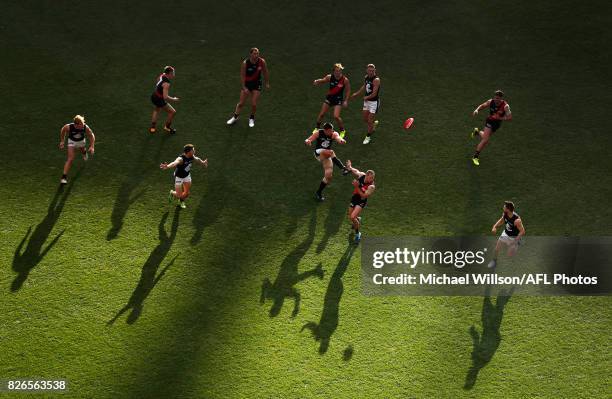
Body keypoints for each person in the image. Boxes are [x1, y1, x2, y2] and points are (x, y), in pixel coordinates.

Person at [304, 122, 349, 201]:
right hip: (319, 153)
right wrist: (307, 141)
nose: (331, 132)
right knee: (331, 152)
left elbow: (338, 138)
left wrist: (342, 140)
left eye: (332, 130)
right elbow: (310, 139)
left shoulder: (333, 133)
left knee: (328, 175)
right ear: (325, 130)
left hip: (326, 155)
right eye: (330, 131)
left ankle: (318, 192)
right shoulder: (319, 133)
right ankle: (343, 168)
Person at [226, 47, 270, 128]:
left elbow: (265, 71)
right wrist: (244, 87)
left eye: (257, 53)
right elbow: (242, 76)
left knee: (253, 104)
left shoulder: (262, 61)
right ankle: (235, 117)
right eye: (254, 53)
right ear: (251, 54)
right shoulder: (245, 63)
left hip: (257, 84)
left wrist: (267, 82)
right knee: (241, 103)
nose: (256, 55)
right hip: (247, 84)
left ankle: (251, 118)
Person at [470, 90, 512, 165]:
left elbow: (510, 118)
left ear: (501, 98)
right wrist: (477, 110)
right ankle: (475, 157)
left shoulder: (506, 106)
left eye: (498, 98)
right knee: (485, 140)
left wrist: (500, 118)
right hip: (489, 122)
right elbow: (482, 105)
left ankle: (477, 132)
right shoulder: (490, 101)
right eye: (495, 98)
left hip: (497, 124)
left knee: (485, 137)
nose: (496, 100)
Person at [159, 144, 208, 209]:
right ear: (188, 152)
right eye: (193, 150)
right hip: (179, 177)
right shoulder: (181, 159)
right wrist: (167, 166)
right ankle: (172, 193)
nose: (194, 151)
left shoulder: (191, 156)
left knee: (186, 193)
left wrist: (203, 162)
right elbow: (174, 163)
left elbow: (197, 159)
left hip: (187, 176)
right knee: (179, 195)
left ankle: (181, 201)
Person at [313, 63, 351, 138]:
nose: (338, 72)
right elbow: (323, 80)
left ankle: (342, 130)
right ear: (334, 71)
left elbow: (348, 90)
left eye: (339, 71)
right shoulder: (330, 77)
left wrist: (346, 100)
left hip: (338, 100)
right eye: (336, 71)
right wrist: (317, 81)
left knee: (336, 117)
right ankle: (317, 128)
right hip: (329, 98)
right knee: (321, 114)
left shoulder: (345, 80)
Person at [344, 160, 376, 243]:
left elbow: (364, 196)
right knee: (350, 216)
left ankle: (358, 234)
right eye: (370, 177)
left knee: (352, 217)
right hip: (355, 198)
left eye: (373, 178)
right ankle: (358, 219)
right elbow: (355, 171)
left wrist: (357, 186)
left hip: (361, 200)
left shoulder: (371, 186)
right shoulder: (361, 175)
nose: (372, 179)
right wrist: (350, 167)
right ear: (366, 175)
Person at [59, 115, 95, 184]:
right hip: (72, 142)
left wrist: (92, 146)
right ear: (75, 124)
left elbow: (91, 135)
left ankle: (84, 153)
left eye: (82, 124)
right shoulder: (69, 127)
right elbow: (63, 130)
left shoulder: (85, 127)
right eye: (80, 125)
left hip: (81, 141)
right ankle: (63, 177)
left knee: (82, 149)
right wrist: (62, 141)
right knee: (70, 159)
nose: (82, 126)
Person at [349, 64, 381, 144]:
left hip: (374, 102)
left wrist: (366, 97)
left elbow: (374, 93)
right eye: (369, 70)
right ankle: (373, 125)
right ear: (367, 70)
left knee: (369, 120)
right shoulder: (366, 77)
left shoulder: (376, 80)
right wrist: (356, 93)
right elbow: (364, 86)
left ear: (375, 71)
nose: (371, 72)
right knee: (365, 119)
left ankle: (368, 136)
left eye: (372, 71)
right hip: (367, 102)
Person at [488, 201, 525, 268]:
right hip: (505, 233)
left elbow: (522, 231)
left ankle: (519, 241)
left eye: (504, 206)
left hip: (514, 237)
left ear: (508, 209)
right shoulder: (505, 214)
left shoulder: (517, 220)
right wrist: (494, 226)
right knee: (497, 248)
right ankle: (494, 261)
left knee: (510, 255)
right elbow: (502, 220)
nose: (503, 207)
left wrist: (515, 241)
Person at [150, 66, 180, 134]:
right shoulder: (166, 84)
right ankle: (167, 127)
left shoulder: (162, 75)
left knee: (156, 110)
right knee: (172, 112)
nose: (173, 75)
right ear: (169, 73)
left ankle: (153, 127)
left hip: (154, 95)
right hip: (159, 99)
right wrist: (174, 99)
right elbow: (165, 97)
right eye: (172, 73)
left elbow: (157, 81)